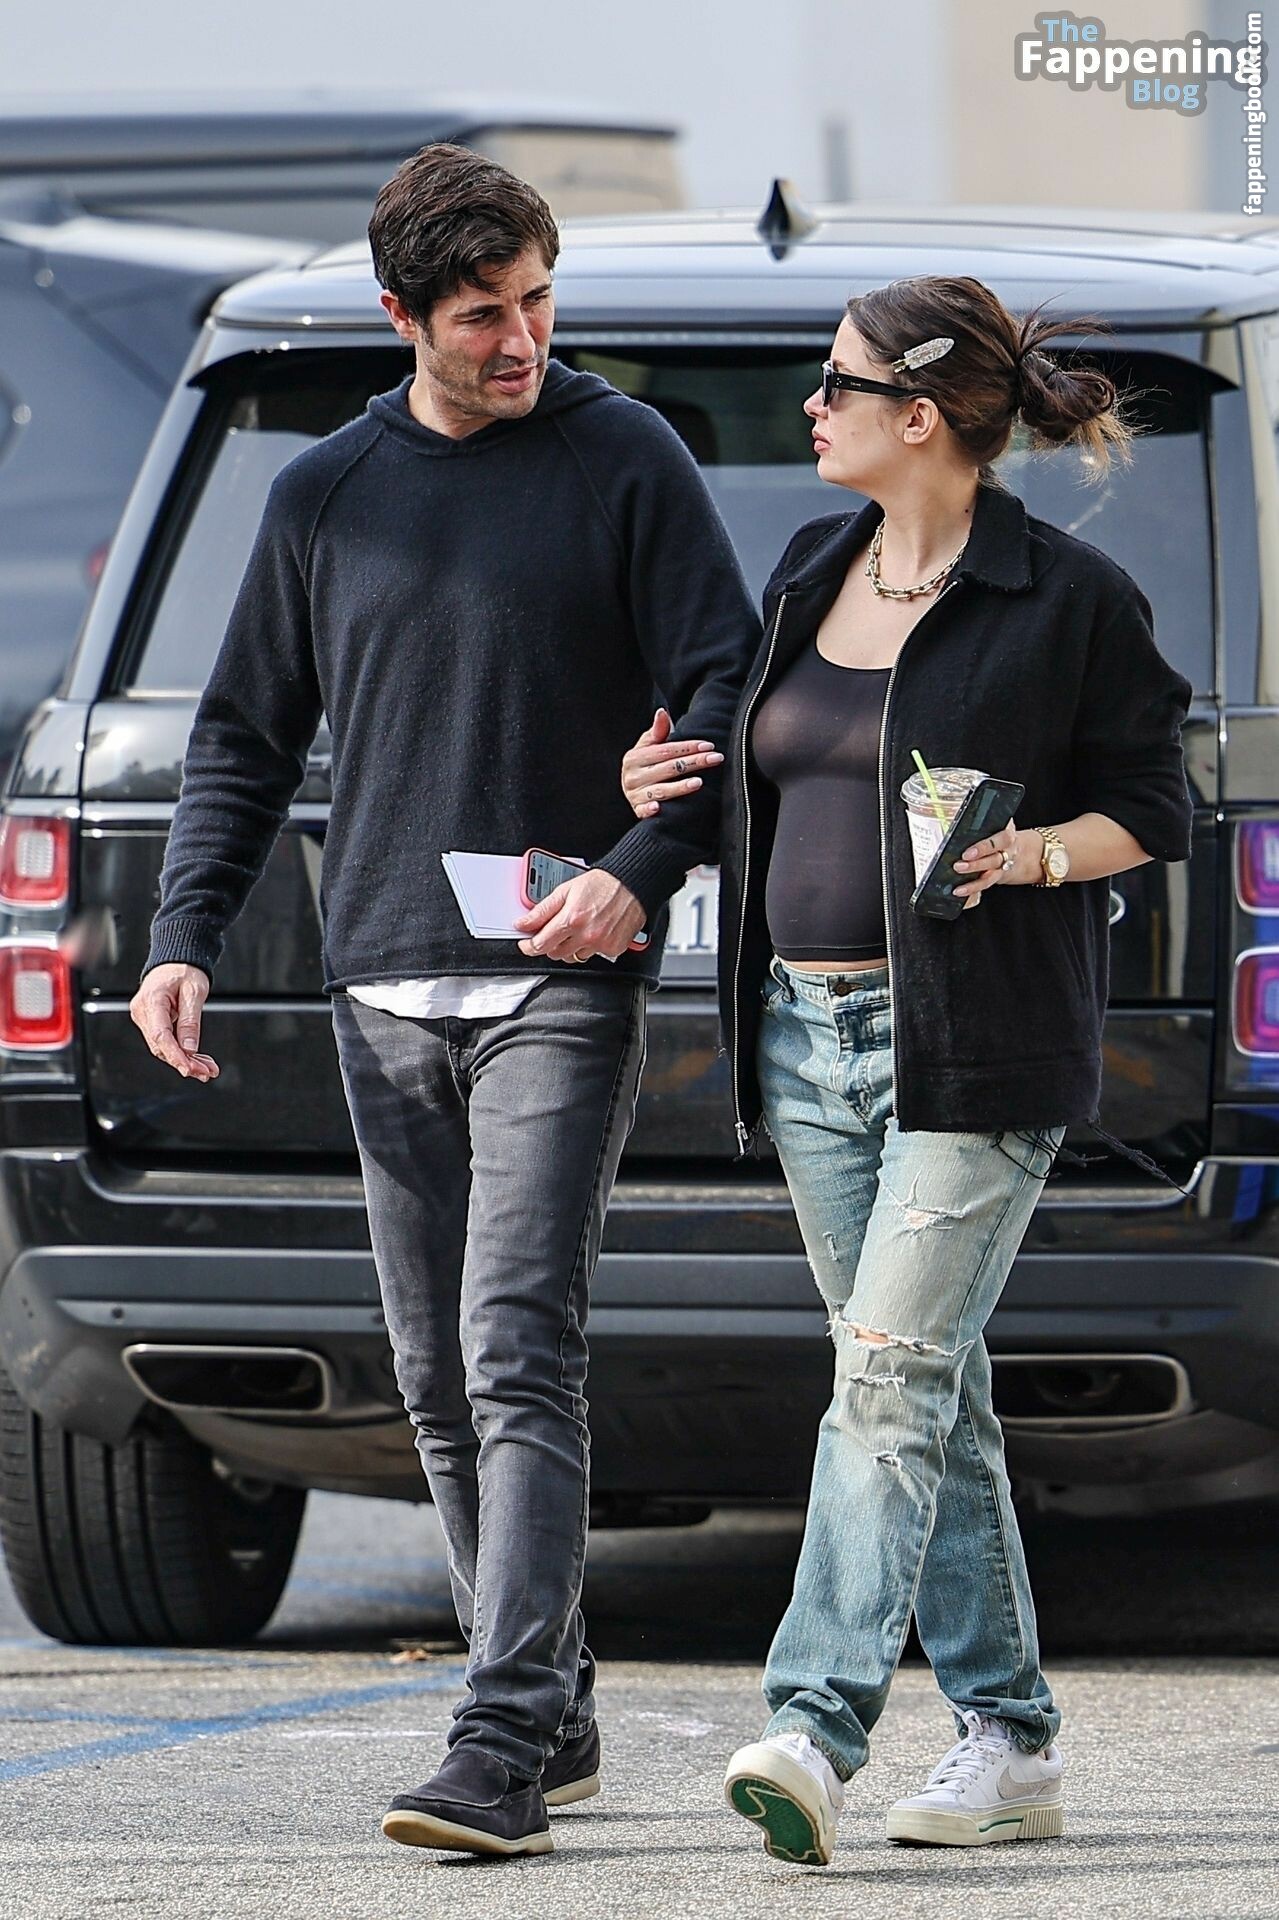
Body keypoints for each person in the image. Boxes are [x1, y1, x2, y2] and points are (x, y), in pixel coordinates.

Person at [130, 143, 759, 1859]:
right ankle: (548, 1696)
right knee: (428, 1373)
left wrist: (640, 867)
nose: (524, 339)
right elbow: (244, 738)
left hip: (563, 974)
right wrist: (183, 937)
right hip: (384, 980)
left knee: (513, 1347)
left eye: (541, 301)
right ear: (402, 314)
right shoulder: (326, 493)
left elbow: (726, 687)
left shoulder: (625, 456)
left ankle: (497, 1733)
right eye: (485, 314)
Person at [621, 274, 1192, 1867]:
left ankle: (813, 1725)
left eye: (838, 384)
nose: (814, 407)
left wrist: (1033, 854)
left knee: (883, 1381)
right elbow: (755, 764)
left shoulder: (1066, 598)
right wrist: (661, 780)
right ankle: (1011, 1741)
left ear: (919, 415)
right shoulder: (815, 566)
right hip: (805, 1042)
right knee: (926, 1389)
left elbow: (1155, 804)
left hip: (978, 1048)